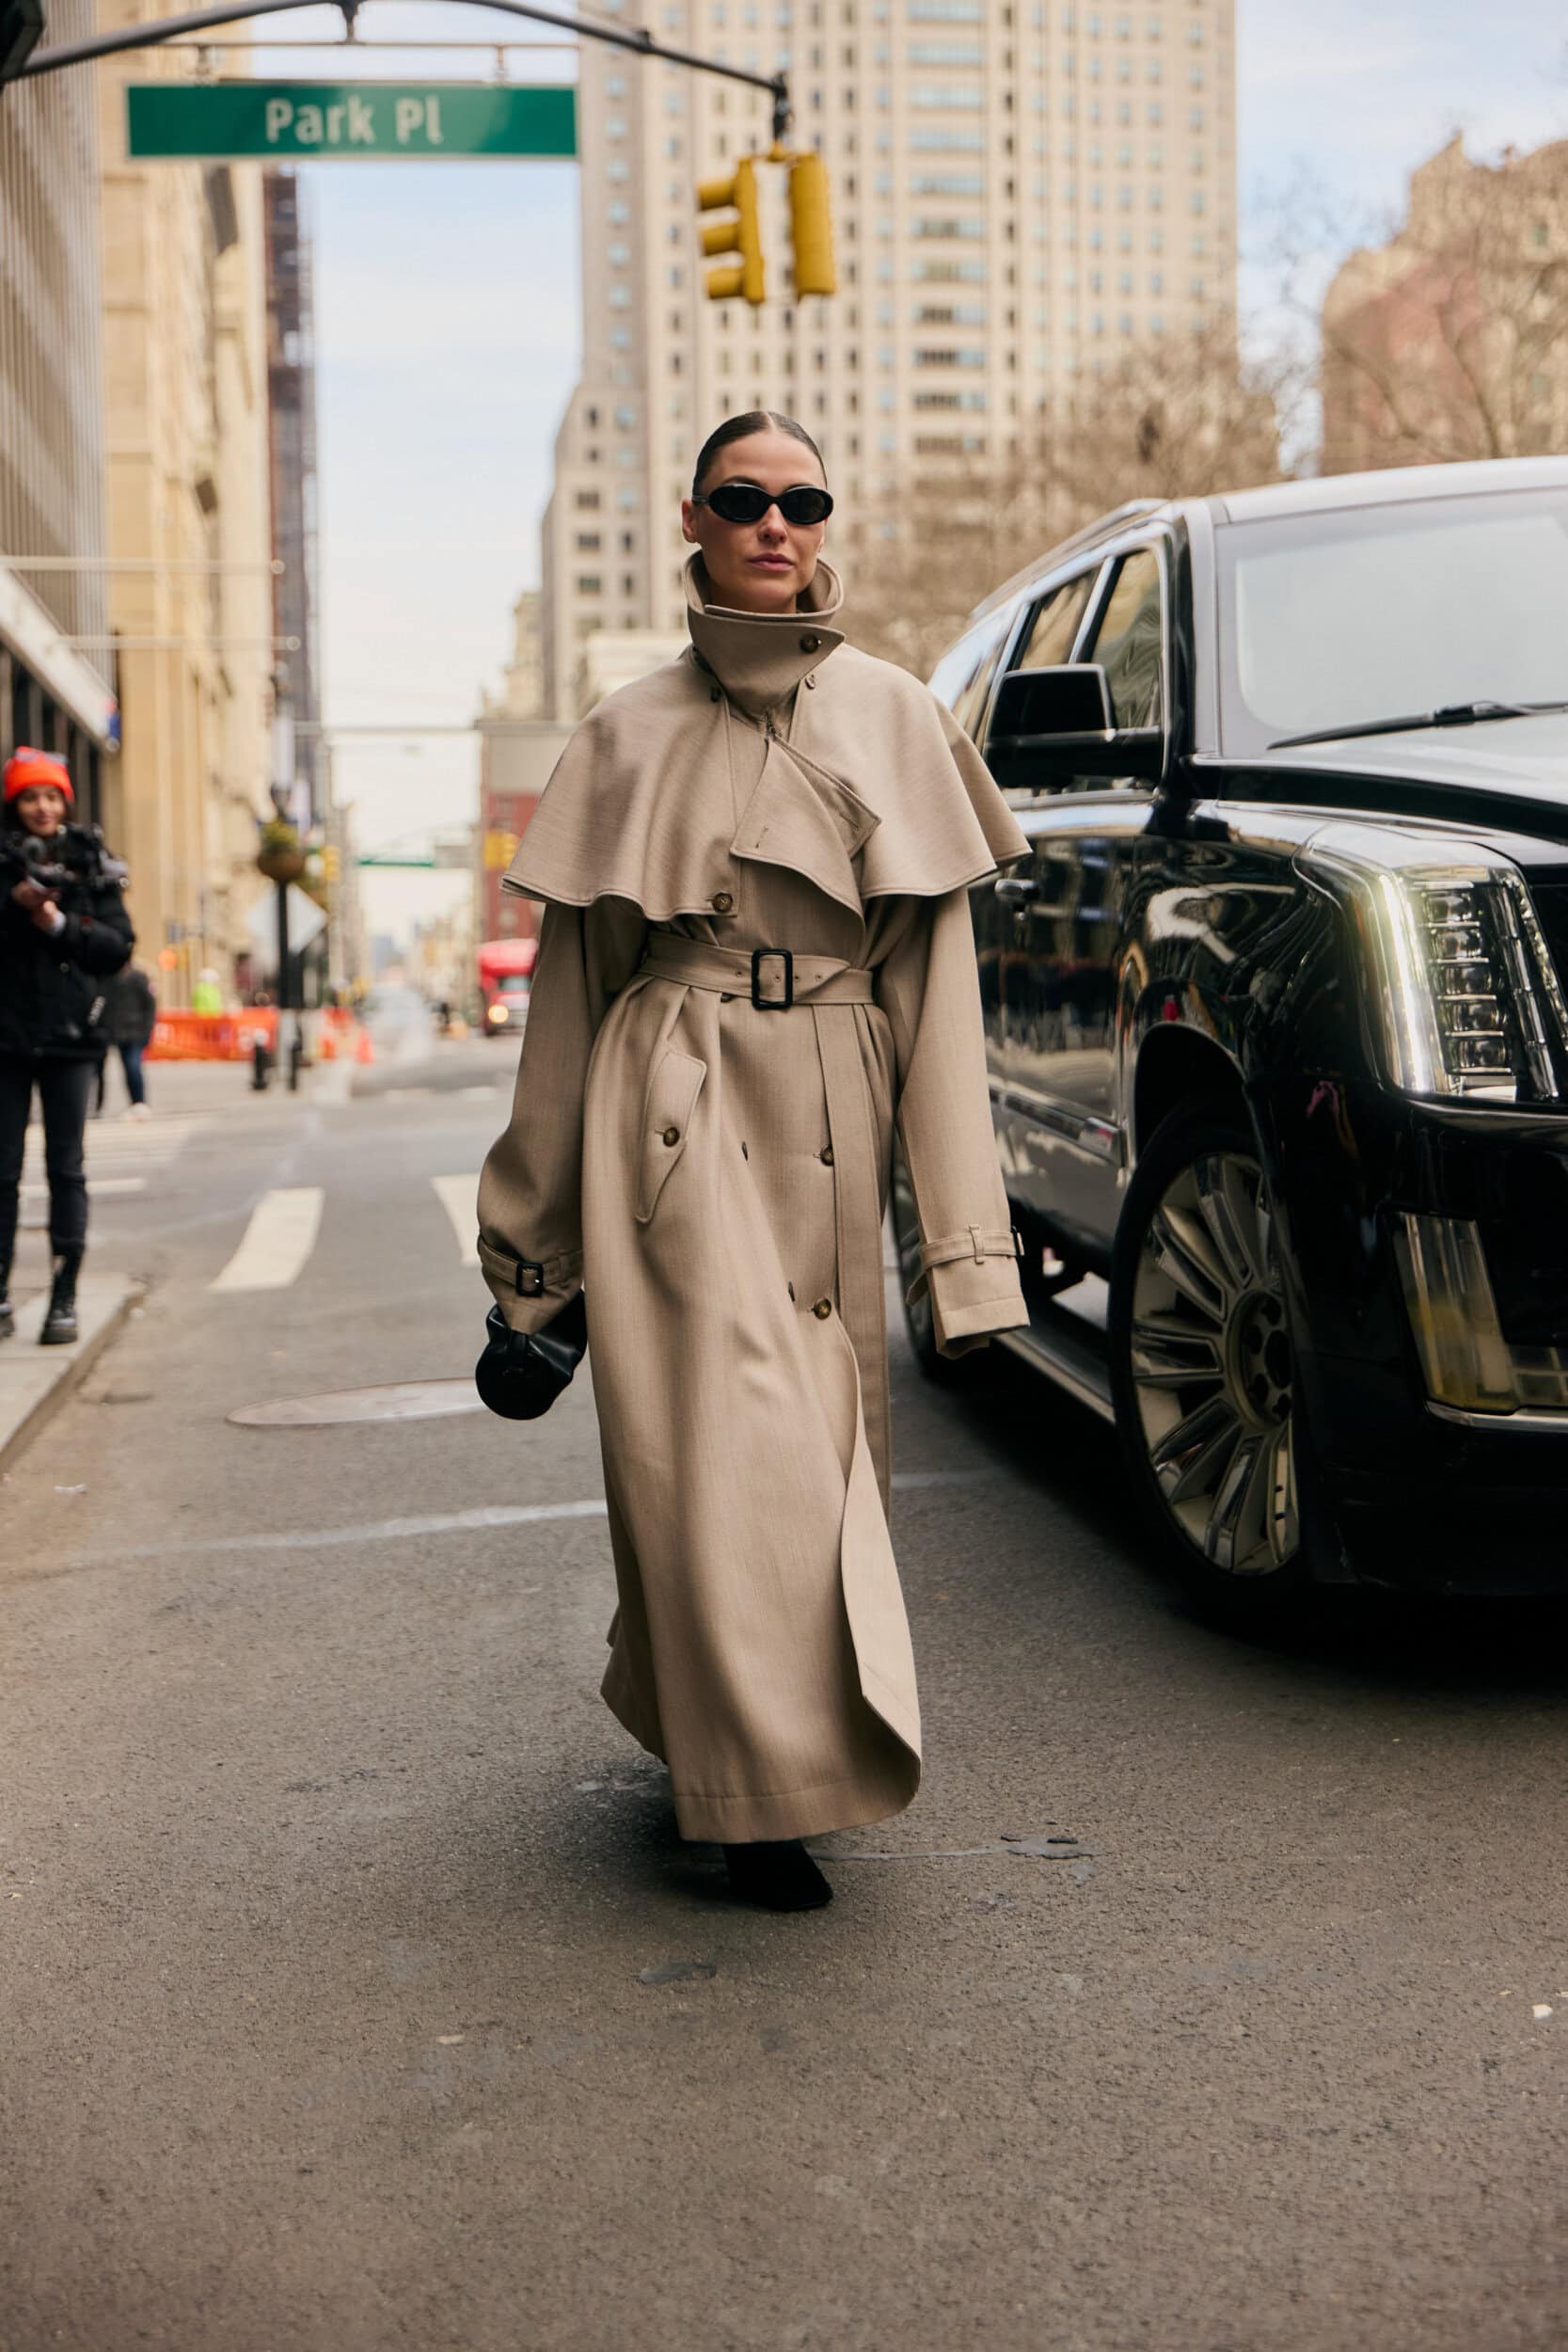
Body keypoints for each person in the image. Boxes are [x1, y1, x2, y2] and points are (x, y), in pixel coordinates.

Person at [478, 411, 1029, 1912]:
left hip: (834, 1111)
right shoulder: (625, 730)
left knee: (817, 1460)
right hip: (671, 1102)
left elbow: (939, 1009)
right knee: (723, 1460)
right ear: (692, 519)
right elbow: (569, 1007)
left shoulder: (898, 718)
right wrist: (530, 1270)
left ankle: (721, 1737)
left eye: (800, 499)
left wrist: (967, 1262)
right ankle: (752, 1808)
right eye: (741, 498)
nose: (773, 523)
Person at [0, 747, 134, 1344]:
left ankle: (63, 1295)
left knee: (66, 1168)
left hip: (72, 1039)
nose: (42, 807)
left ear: (65, 801)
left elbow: (116, 946)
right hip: (5, 1038)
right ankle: (1, 1293)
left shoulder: (89, 862)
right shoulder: (3, 861)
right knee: (2, 1173)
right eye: (30, 796)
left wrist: (58, 924)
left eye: (51, 795)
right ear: (15, 805)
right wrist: (14, 907)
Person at [97, 961, 157, 1119]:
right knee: (99, 1069)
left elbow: (150, 1004)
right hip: (113, 1031)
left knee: (132, 1066)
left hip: (135, 1031)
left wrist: (147, 1029)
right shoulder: (108, 978)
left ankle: (139, 1102)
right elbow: (101, 1002)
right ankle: (96, 1105)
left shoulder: (138, 978)